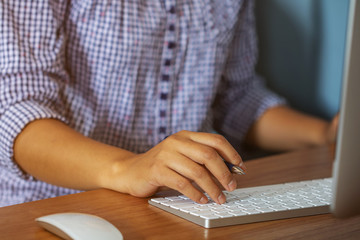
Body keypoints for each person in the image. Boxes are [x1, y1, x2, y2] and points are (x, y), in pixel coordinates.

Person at [0, 0, 338, 207]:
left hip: (187, 203)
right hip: (55, 204)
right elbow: (16, 110)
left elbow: (235, 99)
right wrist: (129, 167)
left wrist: (329, 134)